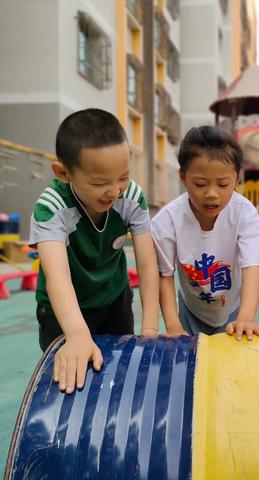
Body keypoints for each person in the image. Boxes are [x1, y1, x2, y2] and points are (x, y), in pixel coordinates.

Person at [30, 108, 159, 393]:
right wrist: (76, 334)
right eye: (100, 182)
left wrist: (150, 327)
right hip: (64, 307)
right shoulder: (52, 207)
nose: (114, 191)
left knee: (117, 373)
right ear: (63, 173)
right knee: (71, 378)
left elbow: (148, 265)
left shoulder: (132, 198)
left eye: (123, 177)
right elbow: (58, 278)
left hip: (114, 299)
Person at [151, 126, 259, 340]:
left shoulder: (244, 213)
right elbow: (165, 277)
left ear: (236, 180)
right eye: (200, 184)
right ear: (183, 177)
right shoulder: (167, 220)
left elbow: (252, 266)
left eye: (223, 184)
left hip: (233, 309)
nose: (212, 194)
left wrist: (246, 317)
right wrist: (173, 324)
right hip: (191, 310)